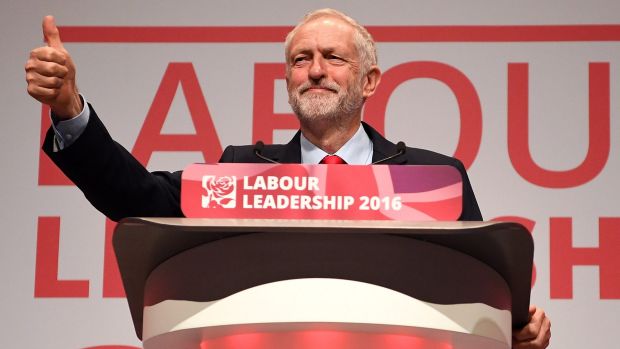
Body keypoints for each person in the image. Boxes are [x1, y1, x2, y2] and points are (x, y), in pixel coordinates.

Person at [25, 9, 550, 348]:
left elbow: (477, 294)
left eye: (332, 58)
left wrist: (515, 331)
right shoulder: (240, 170)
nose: (315, 70)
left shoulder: (434, 177)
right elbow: (132, 196)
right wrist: (70, 109)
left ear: (368, 81)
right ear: (287, 80)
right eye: (301, 60)